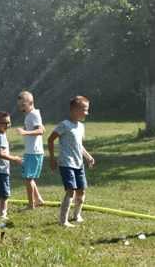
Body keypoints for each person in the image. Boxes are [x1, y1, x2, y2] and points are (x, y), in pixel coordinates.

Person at [48, 96, 95, 227]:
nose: (87, 113)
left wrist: (88, 157)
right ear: (74, 110)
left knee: (82, 191)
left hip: (78, 163)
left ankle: (77, 215)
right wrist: (52, 158)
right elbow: (50, 140)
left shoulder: (81, 126)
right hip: (66, 163)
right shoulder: (64, 125)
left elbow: (79, 145)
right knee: (71, 191)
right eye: (84, 110)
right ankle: (63, 220)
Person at [0, 111, 22, 221]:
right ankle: (3, 215)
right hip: (0, 170)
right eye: (4, 123)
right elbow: (1, 154)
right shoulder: (1, 137)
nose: (7, 125)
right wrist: (15, 158)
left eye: (8, 123)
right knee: (5, 194)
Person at [15, 91, 46, 209]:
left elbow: (41, 131)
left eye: (23, 105)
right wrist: (25, 129)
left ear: (31, 103)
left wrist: (25, 132)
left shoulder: (33, 114)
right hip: (31, 151)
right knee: (29, 177)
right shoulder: (30, 115)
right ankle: (38, 199)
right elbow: (42, 128)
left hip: (34, 152)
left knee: (28, 179)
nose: (21, 108)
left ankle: (31, 204)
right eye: (19, 106)